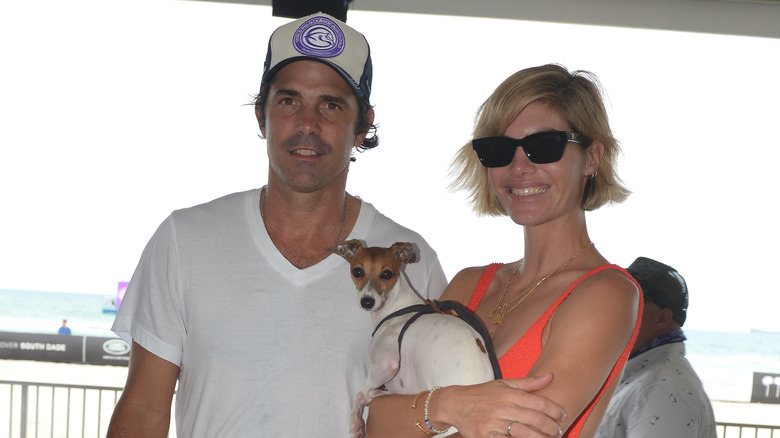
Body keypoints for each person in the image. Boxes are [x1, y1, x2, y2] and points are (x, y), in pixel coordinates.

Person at [106, 12, 460, 437]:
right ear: (262, 116)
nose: (307, 125)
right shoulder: (185, 240)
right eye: (289, 101)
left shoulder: (410, 263)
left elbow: (435, 417)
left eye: (330, 105)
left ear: (363, 125)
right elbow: (144, 410)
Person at [365, 64, 642, 438]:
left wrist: (424, 412)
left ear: (592, 158)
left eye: (544, 145)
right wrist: (449, 407)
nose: (518, 166)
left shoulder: (606, 294)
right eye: (498, 150)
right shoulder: (469, 284)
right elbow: (373, 421)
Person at [595, 257, 716, 438]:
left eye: (628, 301)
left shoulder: (662, 387)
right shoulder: (650, 379)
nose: (611, 310)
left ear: (661, 319)